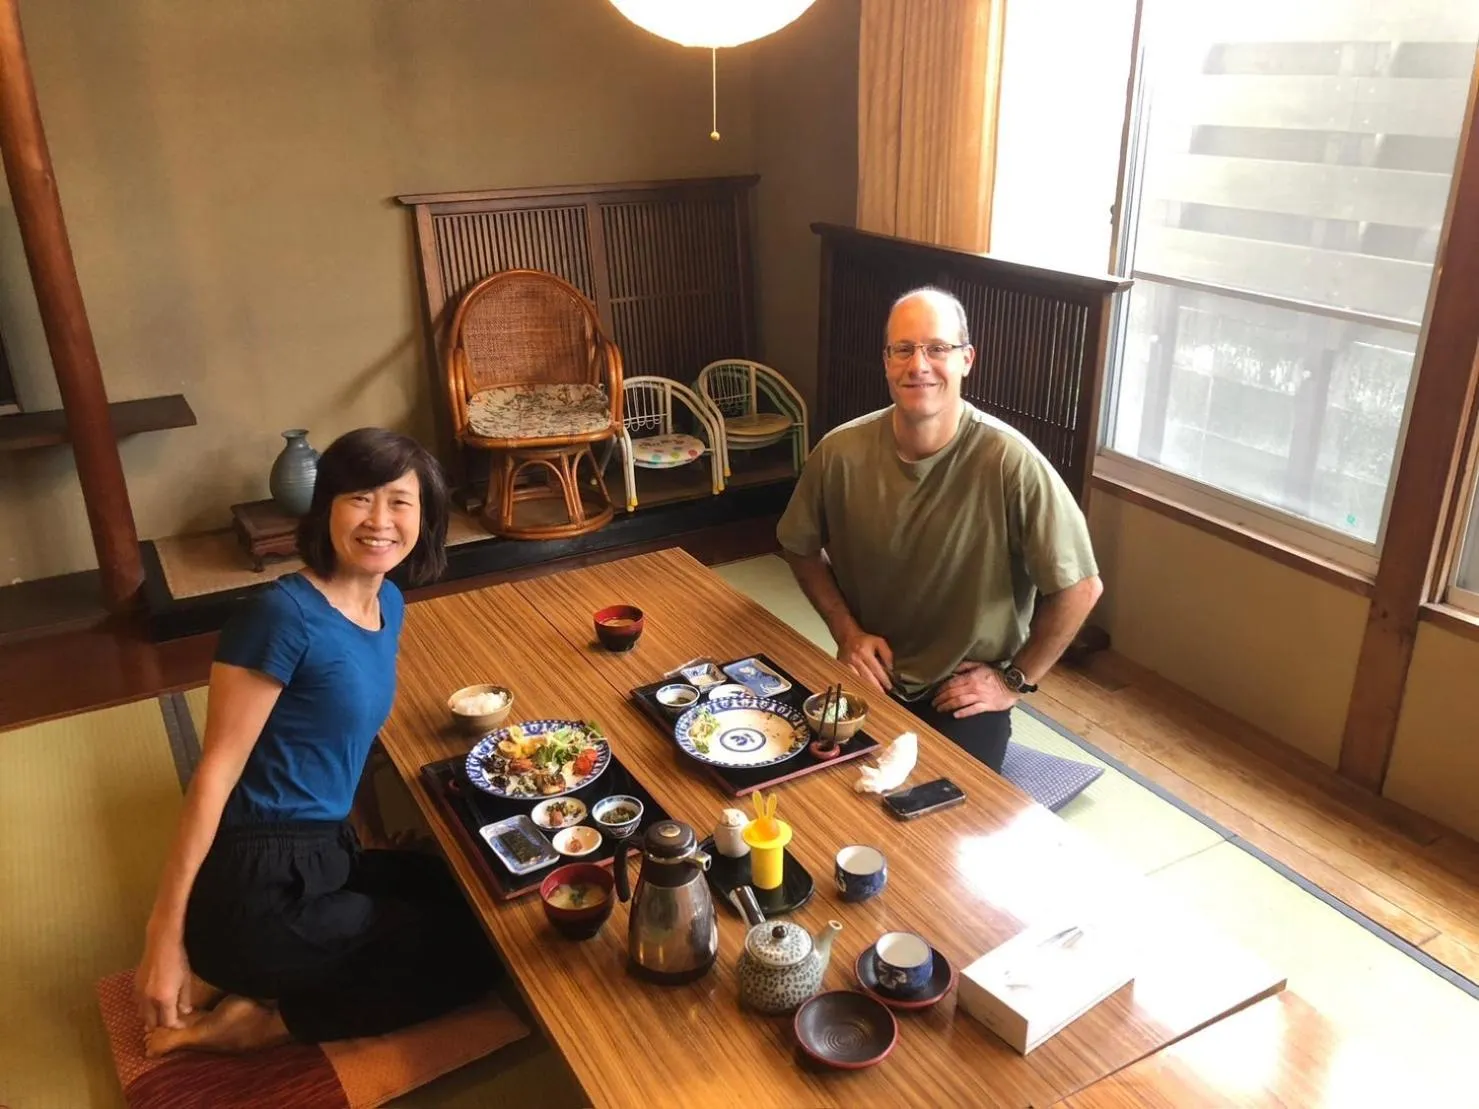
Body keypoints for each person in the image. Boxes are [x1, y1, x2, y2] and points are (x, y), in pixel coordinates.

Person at [135, 427, 498, 1056]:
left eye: (400, 502)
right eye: (360, 498)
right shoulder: (279, 616)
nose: (379, 520)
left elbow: (347, 735)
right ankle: (259, 1023)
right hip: (258, 884)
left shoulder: (386, 600)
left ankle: (276, 980)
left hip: (326, 853)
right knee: (474, 956)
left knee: (463, 891)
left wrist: (371, 833)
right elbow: (215, 773)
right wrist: (164, 941)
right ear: (325, 505)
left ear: (426, 517)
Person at [777, 287, 1103, 773]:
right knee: (814, 787)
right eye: (903, 349)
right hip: (874, 673)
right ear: (886, 361)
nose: (919, 364)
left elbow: (1081, 586)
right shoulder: (840, 453)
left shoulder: (1009, 462)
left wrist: (1014, 681)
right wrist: (847, 633)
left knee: (943, 817)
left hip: (963, 688)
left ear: (966, 359)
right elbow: (798, 546)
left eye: (937, 348)